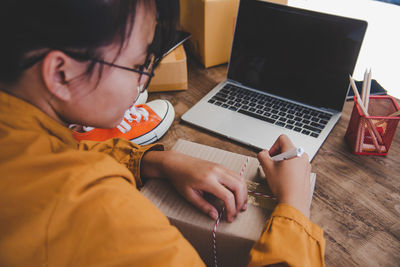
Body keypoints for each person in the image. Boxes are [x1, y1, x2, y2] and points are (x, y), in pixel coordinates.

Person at [0, 0, 325, 266]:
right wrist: (294, 206)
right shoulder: (100, 210)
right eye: (140, 65)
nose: (145, 82)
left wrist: (154, 162)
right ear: (61, 73)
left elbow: (49, 154)